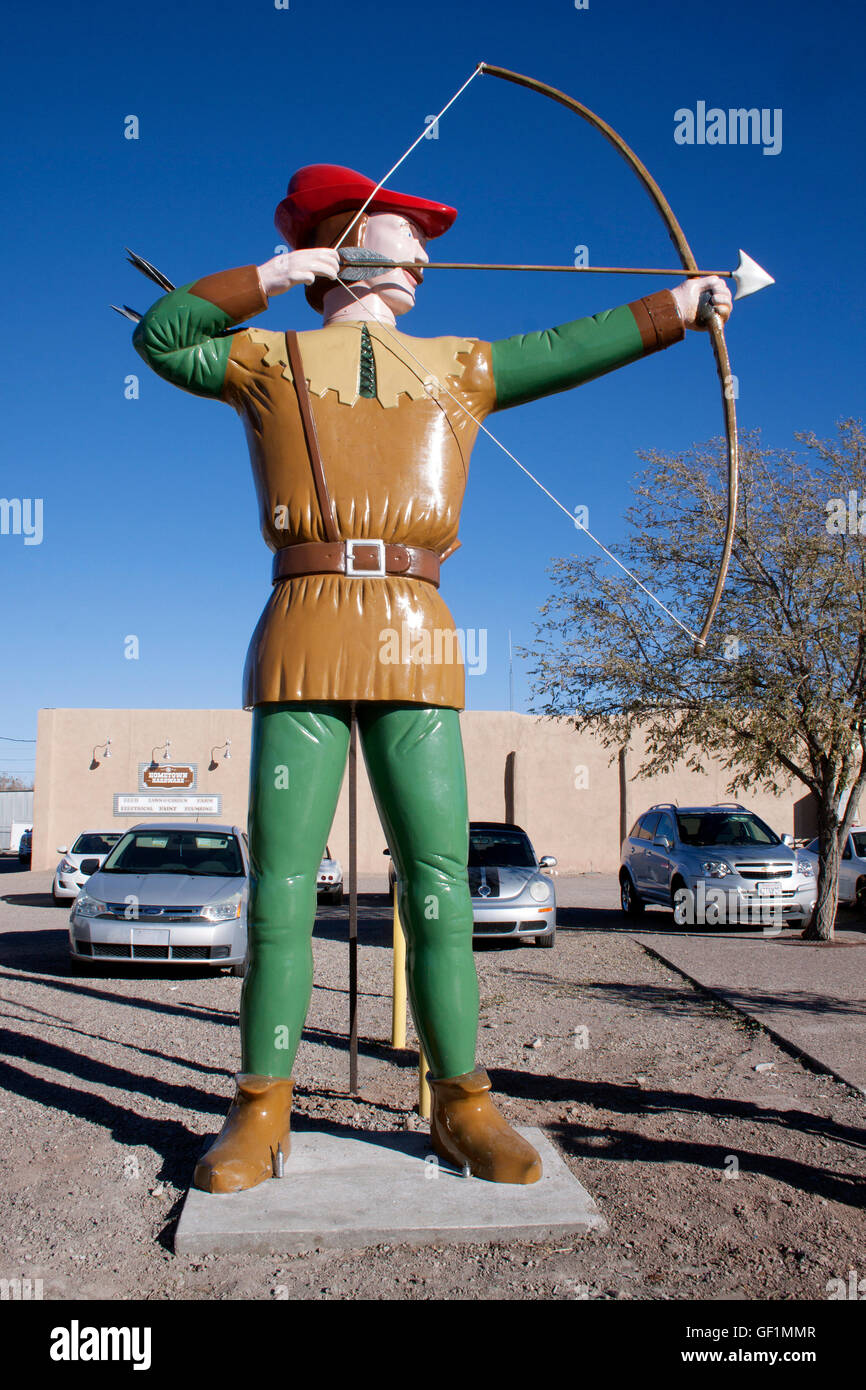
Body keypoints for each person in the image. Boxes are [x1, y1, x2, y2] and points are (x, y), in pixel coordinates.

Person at [133, 163, 732, 1193]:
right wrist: (276, 272)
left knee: (439, 883)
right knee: (281, 885)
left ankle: (460, 1100)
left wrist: (679, 308)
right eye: (402, 232)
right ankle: (258, 1107)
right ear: (343, 244)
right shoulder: (269, 358)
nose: (422, 252)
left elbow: (567, 348)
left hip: (415, 626)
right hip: (304, 623)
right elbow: (161, 336)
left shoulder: (457, 363)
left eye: (419, 236)